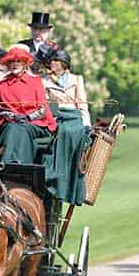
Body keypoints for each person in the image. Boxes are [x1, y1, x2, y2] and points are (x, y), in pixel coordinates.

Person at [0, 46, 56, 165]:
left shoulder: (36, 81)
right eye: (12, 61)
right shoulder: (2, 84)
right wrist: (13, 117)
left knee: (21, 128)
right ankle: (13, 164)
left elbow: (43, 109)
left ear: (25, 64)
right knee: (14, 127)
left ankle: (16, 166)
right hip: (11, 122)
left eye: (18, 61)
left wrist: (28, 117)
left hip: (36, 123)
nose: (15, 64)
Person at [42, 49, 88, 204]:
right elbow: (46, 104)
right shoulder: (45, 81)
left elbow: (82, 103)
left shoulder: (76, 79)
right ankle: (56, 178)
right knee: (60, 132)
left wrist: (86, 124)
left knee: (72, 132)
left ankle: (68, 182)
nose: (51, 63)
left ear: (63, 64)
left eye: (54, 61)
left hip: (74, 116)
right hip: (57, 116)